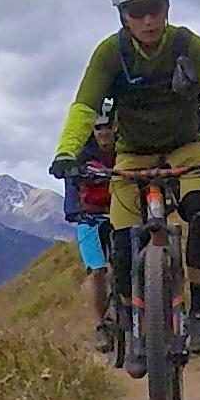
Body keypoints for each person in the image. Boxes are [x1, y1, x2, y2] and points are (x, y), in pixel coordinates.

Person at [49, 0, 200, 355]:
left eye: (155, 9)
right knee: (124, 241)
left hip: (184, 147)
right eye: (137, 11)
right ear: (123, 16)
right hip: (132, 155)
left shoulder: (186, 44)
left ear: (167, 9)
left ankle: (197, 313)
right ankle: (131, 322)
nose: (148, 19)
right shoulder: (110, 53)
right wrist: (66, 151)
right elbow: (84, 107)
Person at [65, 109, 118, 351]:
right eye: (98, 128)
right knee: (97, 271)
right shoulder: (82, 155)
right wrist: (72, 210)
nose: (104, 132)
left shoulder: (127, 152)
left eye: (108, 126)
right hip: (90, 217)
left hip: (121, 213)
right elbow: (70, 181)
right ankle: (101, 325)